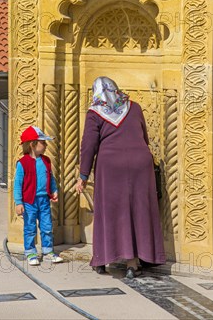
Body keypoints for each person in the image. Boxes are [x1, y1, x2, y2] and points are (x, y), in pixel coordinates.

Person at [75, 76, 165, 279]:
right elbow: (144, 136)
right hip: (141, 165)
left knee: (109, 212)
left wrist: (83, 175)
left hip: (111, 167)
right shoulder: (134, 107)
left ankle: (102, 259)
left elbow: (88, 146)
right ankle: (134, 262)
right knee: (139, 211)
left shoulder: (94, 113)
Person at [14, 125, 63, 266]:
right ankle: (30, 252)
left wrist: (53, 191)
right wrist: (19, 202)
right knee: (30, 228)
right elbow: (18, 184)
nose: (46, 145)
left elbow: (50, 177)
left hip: (44, 200)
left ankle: (48, 251)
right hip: (29, 201)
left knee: (47, 226)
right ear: (32, 144)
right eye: (43, 142)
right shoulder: (22, 163)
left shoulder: (46, 161)